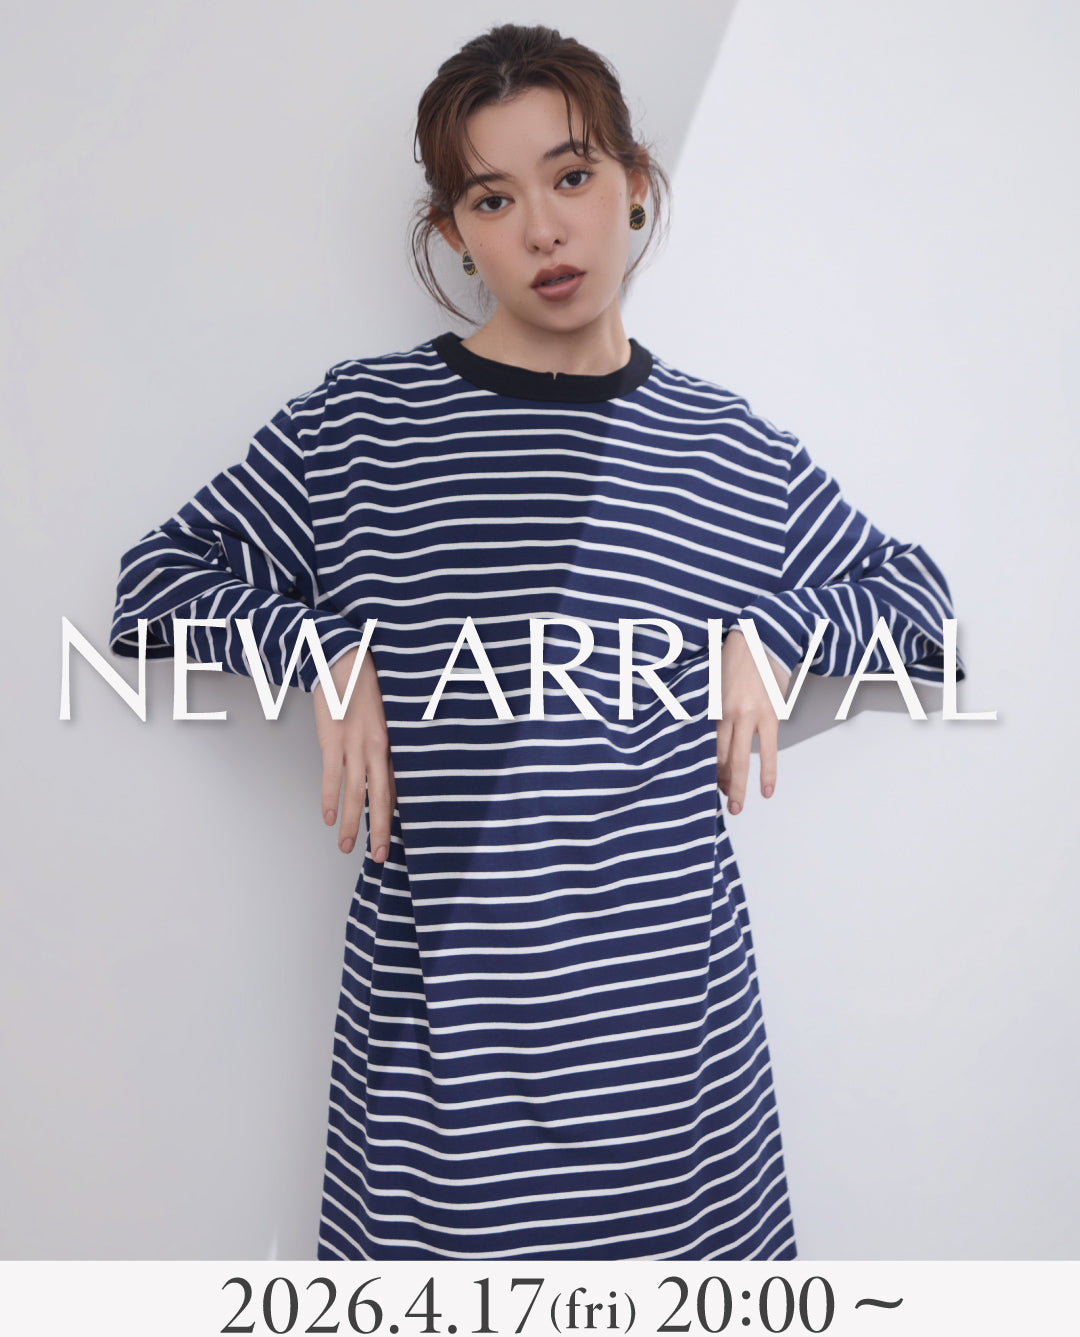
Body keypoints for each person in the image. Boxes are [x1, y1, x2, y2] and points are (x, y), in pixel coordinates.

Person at [110, 23, 960, 1260]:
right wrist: (321, 651)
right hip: (436, 1095)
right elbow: (155, 584)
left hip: (681, 1095)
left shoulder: (722, 452)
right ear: (454, 231)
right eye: (493, 198)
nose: (544, 231)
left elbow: (921, 603)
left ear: (635, 183)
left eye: (572, 177)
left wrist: (778, 634)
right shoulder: (365, 430)